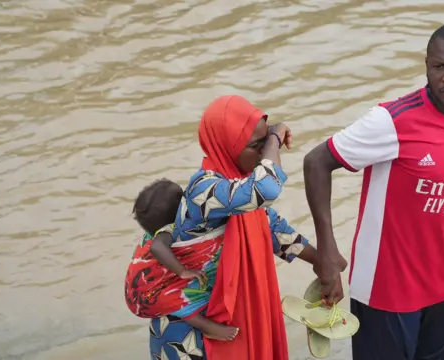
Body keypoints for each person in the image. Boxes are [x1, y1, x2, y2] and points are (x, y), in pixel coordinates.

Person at [302, 22, 444, 360]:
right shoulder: (392, 121)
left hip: (441, 286)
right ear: (427, 65)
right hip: (387, 291)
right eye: (439, 66)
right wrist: (326, 248)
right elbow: (316, 162)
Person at [139, 95, 323, 360]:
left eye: (265, 142)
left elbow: (274, 230)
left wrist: (321, 263)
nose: (263, 153)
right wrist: (275, 137)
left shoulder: (235, 186)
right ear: (227, 146)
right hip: (188, 336)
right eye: (256, 145)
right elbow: (267, 189)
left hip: (223, 320)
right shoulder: (204, 190)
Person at [124, 178, 239, 341]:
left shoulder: (156, 229)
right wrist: (183, 272)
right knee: (180, 300)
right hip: (146, 297)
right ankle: (207, 328)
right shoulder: (167, 231)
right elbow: (157, 247)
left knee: (171, 296)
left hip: (139, 285)